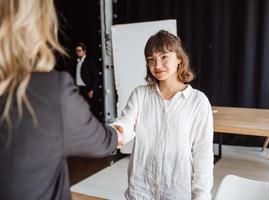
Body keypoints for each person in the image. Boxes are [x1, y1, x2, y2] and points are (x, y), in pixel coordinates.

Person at [0, 0, 123, 200]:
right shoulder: (50, 91)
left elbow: (93, 77)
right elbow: (101, 141)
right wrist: (116, 136)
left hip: (83, 94)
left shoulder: (69, 78)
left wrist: (91, 90)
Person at [112, 30, 214, 200]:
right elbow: (125, 125)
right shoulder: (140, 94)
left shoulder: (198, 101)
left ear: (179, 58)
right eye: (151, 59)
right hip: (139, 192)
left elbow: (203, 156)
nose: (157, 65)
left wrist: (201, 197)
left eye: (164, 57)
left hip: (177, 192)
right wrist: (112, 132)